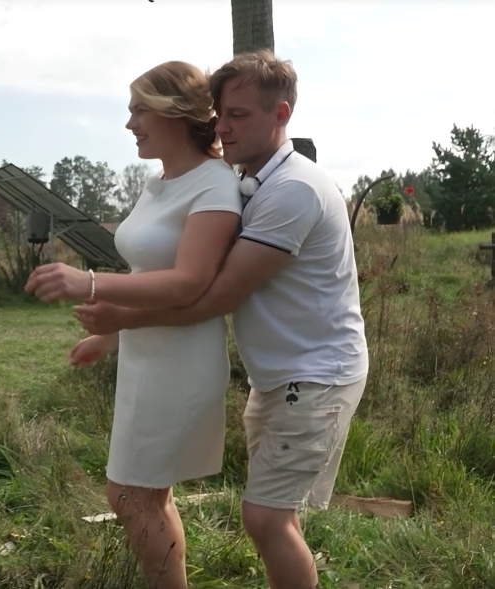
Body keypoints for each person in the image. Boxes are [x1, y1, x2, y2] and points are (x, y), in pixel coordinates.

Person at [72, 50, 369, 589]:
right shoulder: (250, 179)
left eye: (239, 116)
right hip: (280, 374)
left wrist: (104, 300)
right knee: (274, 514)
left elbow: (212, 295)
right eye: (220, 114)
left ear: (281, 115)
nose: (222, 126)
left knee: (265, 517)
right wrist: (115, 328)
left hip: (317, 374)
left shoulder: (292, 190)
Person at [25, 61, 242, 589]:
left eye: (139, 109)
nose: (130, 123)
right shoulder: (158, 183)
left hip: (181, 358)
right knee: (145, 493)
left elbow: (189, 282)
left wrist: (90, 282)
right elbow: (150, 272)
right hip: (148, 353)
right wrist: (110, 333)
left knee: (128, 493)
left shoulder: (214, 185)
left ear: (178, 113)